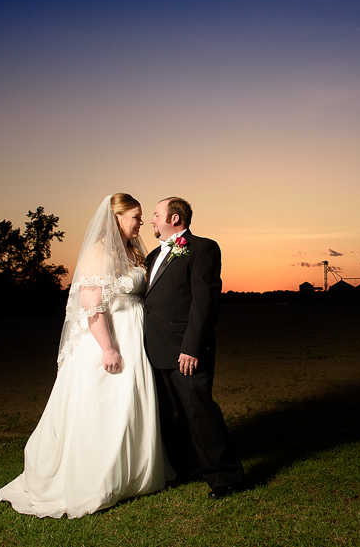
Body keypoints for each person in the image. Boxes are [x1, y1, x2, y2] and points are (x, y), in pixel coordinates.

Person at [0, 193, 171, 518]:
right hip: (110, 340)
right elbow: (93, 305)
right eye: (135, 216)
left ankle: (135, 475)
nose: (141, 223)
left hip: (135, 338)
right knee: (105, 406)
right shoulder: (100, 253)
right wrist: (108, 348)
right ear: (118, 218)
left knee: (130, 406)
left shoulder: (133, 252)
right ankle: (99, 478)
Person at [143, 197, 244, 499]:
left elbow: (204, 303)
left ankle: (225, 476)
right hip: (155, 348)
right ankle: (186, 469)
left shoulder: (203, 248)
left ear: (175, 219)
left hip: (185, 349)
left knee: (199, 411)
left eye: (156, 214)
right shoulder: (151, 256)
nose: (151, 220)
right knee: (170, 415)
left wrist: (192, 347)